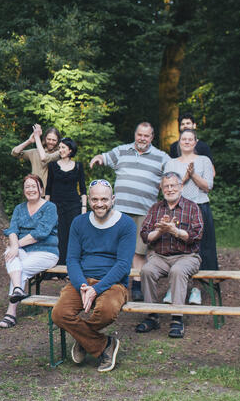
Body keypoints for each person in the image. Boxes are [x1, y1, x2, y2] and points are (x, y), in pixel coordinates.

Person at [52, 180, 135, 373]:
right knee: (59, 314)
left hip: (113, 283)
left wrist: (96, 290)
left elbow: (123, 264)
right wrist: (82, 286)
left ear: (113, 199)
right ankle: (104, 344)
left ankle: (84, 340)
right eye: (95, 199)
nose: (100, 203)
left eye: (104, 199)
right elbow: (72, 259)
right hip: (82, 281)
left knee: (106, 311)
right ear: (89, 200)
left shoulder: (126, 224)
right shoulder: (79, 223)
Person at [89, 122, 168, 300]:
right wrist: (99, 158)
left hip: (145, 211)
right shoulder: (122, 150)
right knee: (116, 249)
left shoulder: (161, 157)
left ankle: (137, 286)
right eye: (140, 134)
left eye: (146, 136)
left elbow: (173, 175)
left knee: (139, 251)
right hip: (120, 211)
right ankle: (111, 284)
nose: (142, 138)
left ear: (152, 137)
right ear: (135, 134)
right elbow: (106, 157)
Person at [134, 172, 203, 339]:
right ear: (161, 188)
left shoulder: (192, 207)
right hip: (160, 257)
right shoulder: (155, 208)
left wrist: (175, 231)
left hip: (187, 256)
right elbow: (145, 235)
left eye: (173, 185)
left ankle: (177, 319)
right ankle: (152, 316)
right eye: (166, 186)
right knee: (146, 271)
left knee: (178, 271)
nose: (170, 189)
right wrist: (160, 231)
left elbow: (196, 235)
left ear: (181, 187)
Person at [0, 174, 59, 329]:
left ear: (41, 189)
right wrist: (13, 246)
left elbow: (42, 232)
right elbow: (12, 229)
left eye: (34, 186)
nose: (30, 189)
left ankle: (11, 312)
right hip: (24, 249)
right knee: (10, 256)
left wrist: (15, 246)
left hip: (46, 251)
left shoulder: (50, 207)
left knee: (19, 270)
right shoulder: (19, 208)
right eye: (27, 187)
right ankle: (18, 290)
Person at [165, 128, 216, 304]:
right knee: (175, 247)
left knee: (199, 249)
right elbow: (168, 187)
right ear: (179, 142)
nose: (186, 142)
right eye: (183, 139)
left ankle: (196, 289)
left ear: (195, 142)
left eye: (190, 139)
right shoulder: (171, 163)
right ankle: (174, 288)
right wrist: (185, 177)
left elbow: (208, 186)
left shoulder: (204, 160)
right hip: (177, 209)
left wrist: (193, 174)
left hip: (200, 208)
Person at [46, 137, 86, 264]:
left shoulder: (78, 166)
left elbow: (83, 189)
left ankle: (71, 267)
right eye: (60, 147)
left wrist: (84, 208)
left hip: (73, 205)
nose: (60, 150)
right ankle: (55, 267)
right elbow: (48, 188)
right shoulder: (52, 166)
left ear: (70, 150)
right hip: (55, 205)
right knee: (58, 235)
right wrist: (46, 207)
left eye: (63, 147)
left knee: (72, 236)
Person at [10, 124, 61, 192]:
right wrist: (29, 141)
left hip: (53, 192)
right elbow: (15, 153)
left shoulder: (60, 153)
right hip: (36, 192)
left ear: (58, 141)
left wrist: (37, 137)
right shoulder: (35, 152)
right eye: (49, 139)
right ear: (45, 139)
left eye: (54, 140)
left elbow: (44, 157)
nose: (51, 142)